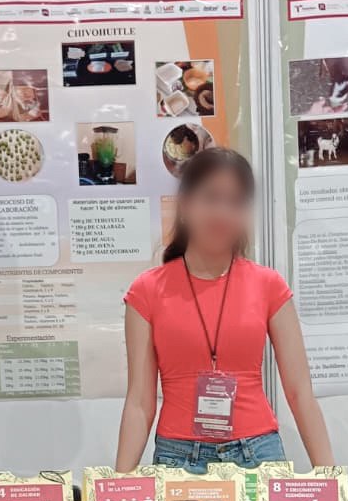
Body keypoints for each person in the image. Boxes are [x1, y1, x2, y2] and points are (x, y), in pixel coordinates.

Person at [116, 147, 332, 473]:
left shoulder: (268, 285)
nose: (222, 213)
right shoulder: (147, 290)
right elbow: (139, 402)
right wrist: (119, 485)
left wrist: (329, 477)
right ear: (185, 205)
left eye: (235, 202)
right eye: (211, 198)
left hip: (258, 454)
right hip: (178, 458)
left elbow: (300, 392)